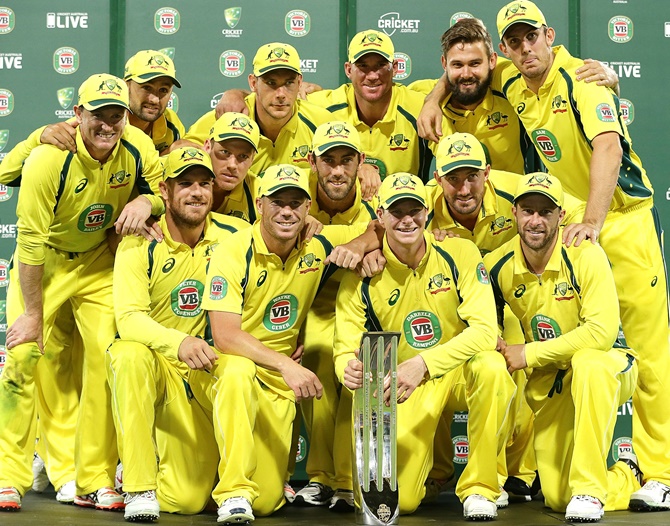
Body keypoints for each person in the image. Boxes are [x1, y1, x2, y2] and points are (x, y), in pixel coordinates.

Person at [492, 0, 670, 510]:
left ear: (550, 35)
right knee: (576, 349)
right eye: (514, 40)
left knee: (649, 348)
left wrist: (593, 221)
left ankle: (660, 471)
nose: (525, 48)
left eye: (532, 36)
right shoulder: (513, 81)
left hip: (620, 221)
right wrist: (437, 94)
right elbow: (471, 70)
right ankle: (580, 469)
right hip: (570, 230)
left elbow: (609, 149)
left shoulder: (584, 79)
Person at [0, 73, 164, 512]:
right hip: (47, 261)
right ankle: (8, 475)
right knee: (21, 355)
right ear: (77, 115)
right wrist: (32, 314)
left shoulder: (137, 147)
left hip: (96, 261)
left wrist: (146, 202)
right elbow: (30, 242)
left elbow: (163, 187)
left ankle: (91, 477)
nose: (108, 125)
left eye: (117, 115)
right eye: (98, 115)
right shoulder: (48, 158)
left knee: (104, 358)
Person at [189, 164, 380, 524]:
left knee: (267, 503)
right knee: (238, 372)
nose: (287, 212)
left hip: (276, 380)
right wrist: (286, 363)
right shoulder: (232, 251)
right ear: (260, 204)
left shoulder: (317, 243)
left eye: (296, 203)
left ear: (309, 209)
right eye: (278, 203)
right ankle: (232, 492)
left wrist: (361, 248)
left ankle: (241, 483)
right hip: (226, 367)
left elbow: (378, 229)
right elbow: (225, 336)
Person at [334, 173, 516, 520]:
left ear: (427, 212)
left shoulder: (459, 251)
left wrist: (424, 364)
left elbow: (483, 331)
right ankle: (437, 474)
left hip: (453, 371)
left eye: (415, 210)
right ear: (381, 216)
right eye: (397, 211)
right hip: (402, 385)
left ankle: (481, 487)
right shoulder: (361, 276)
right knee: (405, 501)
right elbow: (344, 345)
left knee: (491, 367)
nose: (407, 220)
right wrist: (347, 366)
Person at [484, 172, 641, 522]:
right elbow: (484, 324)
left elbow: (601, 333)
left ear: (561, 216)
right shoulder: (496, 265)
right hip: (553, 382)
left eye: (546, 211)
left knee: (588, 362)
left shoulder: (585, 254)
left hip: (610, 364)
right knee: (556, 498)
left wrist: (527, 353)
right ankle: (628, 475)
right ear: (515, 212)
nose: (536, 220)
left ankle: (589, 488)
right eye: (528, 210)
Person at [107, 147, 250, 521]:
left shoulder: (236, 234)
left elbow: (284, 254)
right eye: (185, 184)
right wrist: (179, 342)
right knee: (127, 353)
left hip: (209, 366)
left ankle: (235, 492)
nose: (197, 192)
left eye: (204, 183)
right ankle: (138, 484)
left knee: (186, 500)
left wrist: (365, 239)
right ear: (164, 191)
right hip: (163, 369)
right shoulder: (138, 244)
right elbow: (129, 318)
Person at [412, 17, 618, 174]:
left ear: (493, 61)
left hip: (519, 216)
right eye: (457, 65)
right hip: (453, 219)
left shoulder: (511, 82)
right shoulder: (419, 95)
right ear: (444, 65)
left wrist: (613, 80)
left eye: (475, 64)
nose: (466, 74)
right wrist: (432, 100)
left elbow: (552, 73)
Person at [293, 122, 376, 510]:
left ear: (362, 162)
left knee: (356, 366)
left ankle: (347, 480)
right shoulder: (296, 201)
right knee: (318, 356)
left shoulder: (377, 201)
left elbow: (401, 224)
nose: (338, 171)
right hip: (311, 308)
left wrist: (366, 242)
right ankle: (322, 477)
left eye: (347, 160)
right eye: (328, 161)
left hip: (362, 309)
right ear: (312, 162)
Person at [182, 42, 331, 176]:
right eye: (271, 83)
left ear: (299, 82)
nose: (281, 94)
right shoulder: (231, 115)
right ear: (253, 83)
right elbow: (179, 148)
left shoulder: (321, 123)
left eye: (288, 83)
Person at [203, 112, 261, 223]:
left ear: (252, 159)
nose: (232, 165)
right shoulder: (178, 173)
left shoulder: (260, 193)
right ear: (207, 147)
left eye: (243, 156)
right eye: (225, 152)